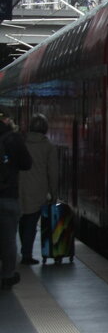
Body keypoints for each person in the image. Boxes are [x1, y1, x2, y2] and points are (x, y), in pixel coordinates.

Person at [18, 113, 58, 265]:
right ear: (45, 128)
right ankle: (26, 254)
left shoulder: (21, 142)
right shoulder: (48, 147)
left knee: (22, 221)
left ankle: (23, 250)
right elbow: (53, 173)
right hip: (38, 191)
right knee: (31, 223)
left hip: (19, 189)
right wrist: (54, 193)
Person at [0, 110, 33, 290]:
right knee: (8, 239)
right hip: (8, 195)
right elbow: (27, 164)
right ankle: (7, 275)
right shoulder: (13, 138)